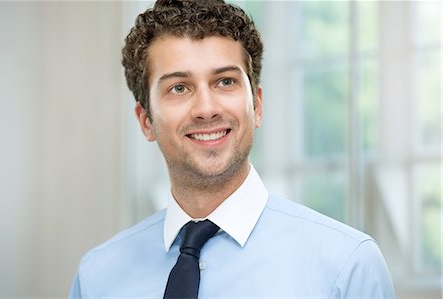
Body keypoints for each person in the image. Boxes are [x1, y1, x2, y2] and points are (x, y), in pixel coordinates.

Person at [69, 0, 396, 298]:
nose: (206, 108)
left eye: (225, 81)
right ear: (145, 121)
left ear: (256, 104)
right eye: (179, 87)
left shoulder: (346, 267)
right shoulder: (97, 276)